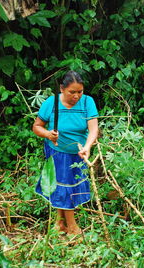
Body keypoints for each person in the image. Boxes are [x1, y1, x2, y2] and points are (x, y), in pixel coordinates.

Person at [32, 71, 99, 235]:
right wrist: (48, 134)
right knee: (64, 186)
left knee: (68, 186)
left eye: (80, 92)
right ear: (62, 89)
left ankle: (59, 222)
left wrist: (88, 146)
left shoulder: (87, 102)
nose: (77, 96)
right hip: (57, 152)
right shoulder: (52, 103)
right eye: (72, 92)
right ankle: (72, 226)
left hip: (79, 153)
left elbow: (93, 128)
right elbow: (37, 126)